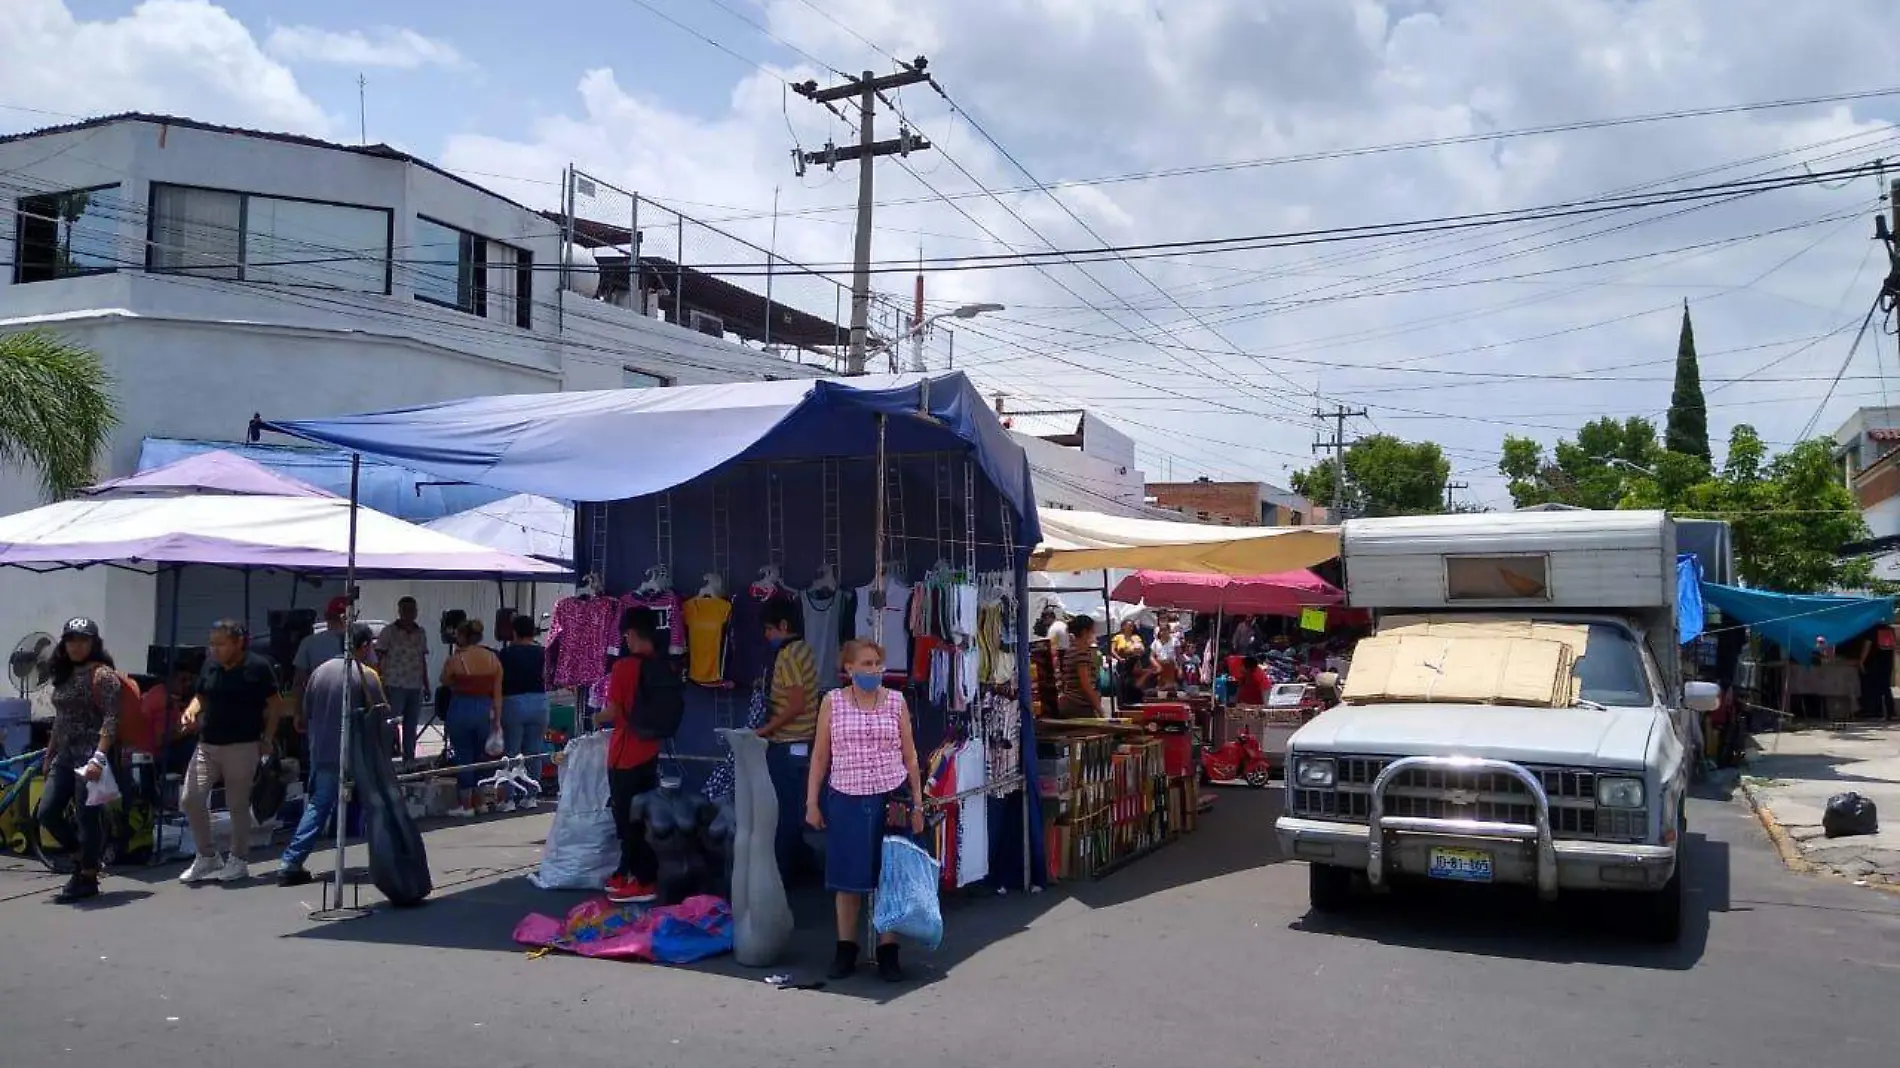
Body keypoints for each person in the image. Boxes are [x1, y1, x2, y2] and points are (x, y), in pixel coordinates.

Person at [806, 640, 925, 982]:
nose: (874, 669)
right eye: (867, 663)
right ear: (849, 669)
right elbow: (819, 756)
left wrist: (917, 803)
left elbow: (911, 755)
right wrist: (811, 802)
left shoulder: (896, 702)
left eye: (877, 663)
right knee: (848, 880)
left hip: (892, 796)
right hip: (847, 797)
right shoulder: (832, 703)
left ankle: (889, 951)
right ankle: (846, 949)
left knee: (891, 875)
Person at [278, 624, 386, 887]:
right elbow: (382, 714)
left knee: (318, 805)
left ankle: (291, 862)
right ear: (364, 646)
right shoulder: (366, 674)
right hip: (357, 754)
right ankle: (385, 859)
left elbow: (305, 715)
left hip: (323, 750)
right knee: (376, 805)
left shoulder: (319, 672)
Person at [178, 620, 280, 885]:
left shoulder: (258, 667)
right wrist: (191, 710)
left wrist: (268, 738)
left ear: (239, 643)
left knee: (237, 805)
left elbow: (276, 704)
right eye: (212, 644)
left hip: (242, 746)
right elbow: (201, 695)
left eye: (221, 644)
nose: (215, 649)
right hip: (207, 744)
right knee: (191, 799)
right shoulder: (210, 664)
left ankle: (238, 859)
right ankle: (207, 855)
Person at [40, 617, 121, 904]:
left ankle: (86, 876)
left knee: (88, 819)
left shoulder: (103, 675)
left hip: (90, 755)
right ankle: (84, 858)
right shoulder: (63, 674)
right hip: (65, 754)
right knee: (47, 812)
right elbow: (61, 719)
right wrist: (49, 754)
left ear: (94, 643)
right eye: (71, 640)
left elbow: (112, 719)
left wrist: (99, 757)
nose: (77, 645)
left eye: (83, 640)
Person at [599, 607, 667, 904]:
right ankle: (626, 871)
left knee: (627, 820)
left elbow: (613, 712)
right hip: (650, 750)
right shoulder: (662, 665)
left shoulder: (624, 668)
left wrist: (595, 719)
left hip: (624, 753)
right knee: (643, 816)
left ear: (630, 634)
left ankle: (643, 880)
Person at [754, 599, 820, 881]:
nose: (766, 636)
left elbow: (795, 703)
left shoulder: (789, 655)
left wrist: (765, 729)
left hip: (787, 742)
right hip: (801, 743)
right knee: (792, 809)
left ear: (784, 626)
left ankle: (783, 875)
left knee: (783, 812)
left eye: (769, 629)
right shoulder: (804, 649)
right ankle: (800, 865)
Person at [439, 619, 502, 817]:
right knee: (482, 757)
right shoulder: (493, 659)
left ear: (463, 637)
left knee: (464, 756)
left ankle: (466, 805)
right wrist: (497, 720)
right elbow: (498, 693)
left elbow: (445, 680)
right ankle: (482, 802)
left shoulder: (456, 659)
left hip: (461, 707)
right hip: (485, 707)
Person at [498, 615, 549, 803]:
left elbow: (499, 680)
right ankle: (532, 796)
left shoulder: (506, 653)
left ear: (515, 632)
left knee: (511, 752)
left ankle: (509, 799)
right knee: (534, 751)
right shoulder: (542, 652)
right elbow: (546, 676)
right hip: (539, 702)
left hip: (513, 702)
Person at [373, 596, 431, 763]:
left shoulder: (421, 632)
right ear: (399, 611)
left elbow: (422, 659)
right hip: (394, 684)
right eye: (406, 610)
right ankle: (384, 760)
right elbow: (379, 657)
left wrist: (426, 685)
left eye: (412, 610)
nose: (409, 614)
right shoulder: (389, 632)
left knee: (411, 726)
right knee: (390, 724)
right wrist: (380, 682)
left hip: (415, 685)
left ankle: (409, 760)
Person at [293, 596, 350, 696]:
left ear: (326, 616)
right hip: (353, 702)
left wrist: (299, 709)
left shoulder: (308, 643)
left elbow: (299, 682)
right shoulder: (359, 640)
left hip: (319, 700)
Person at [1056, 614, 1103, 718]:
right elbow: (1086, 685)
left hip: (1069, 702)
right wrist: (1099, 709)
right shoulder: (1082, 653)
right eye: (1092, 631)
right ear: (1085, 632)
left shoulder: (1070, 651)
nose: (1094, 634)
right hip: (1079, 705)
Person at [1152, 620, 1180, 690]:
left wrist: (1180, 668)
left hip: (1171, 663)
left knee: (1169, 662)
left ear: (1169, 631)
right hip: (1159, 663)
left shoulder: (1175, 640)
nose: (1163, 632)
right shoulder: (1155, 642)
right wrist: (1157, 665)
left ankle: (1168, 684)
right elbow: (1151, 656)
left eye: (1165, 630)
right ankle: (1164, 685)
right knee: (1161, 665)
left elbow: (1178, 655)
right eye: (1161, 631)